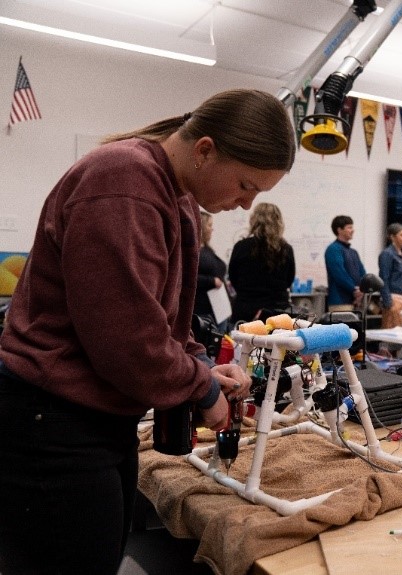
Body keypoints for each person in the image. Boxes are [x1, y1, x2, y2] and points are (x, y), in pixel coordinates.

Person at [0, 89, 292, 574]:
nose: (246, 204)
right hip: (51, 422)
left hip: (88, 419)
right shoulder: (126, 181)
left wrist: (204, 366)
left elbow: (165, 321)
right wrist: (201, 388)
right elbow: (127, 339)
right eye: (245, 184)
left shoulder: (171, 194)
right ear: (204, 150)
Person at [228, 202, 295, 323]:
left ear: (254, 220)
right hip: (277, 311)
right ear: (278, 222)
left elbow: (233, 277)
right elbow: (288, 280)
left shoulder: (241, 247)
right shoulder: (285, 249)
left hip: (246, 309)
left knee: (243, 341)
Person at [195, 211, 229, 328]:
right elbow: (186, 277)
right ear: (202, 226)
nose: (212, 229)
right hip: (203, 310)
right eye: (209, 225)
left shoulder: (208, 250)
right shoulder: (193, 252)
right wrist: (210, 281)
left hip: (218, 309)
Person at [324, 215, 366, 312]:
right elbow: (339, 274)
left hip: (356, 302)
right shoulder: (333, 249)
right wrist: (355, 290)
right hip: (340, 302)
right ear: (339, 230)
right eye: (349, 227)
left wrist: (362, 290)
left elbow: (362, 273)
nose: (352, 230)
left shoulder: (353, 252)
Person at [378, 223, 402, 328]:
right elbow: (384, 278)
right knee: (393, 333)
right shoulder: (387, 254)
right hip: (395, 299)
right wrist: (388, 303)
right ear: (392, 237)